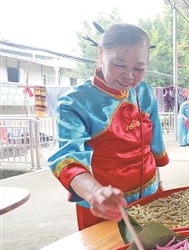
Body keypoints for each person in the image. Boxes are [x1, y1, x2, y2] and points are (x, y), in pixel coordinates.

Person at [48, 23, 169, 230]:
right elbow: (68, 159)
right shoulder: (75, 102)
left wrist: (158, 183)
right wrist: (95, 193)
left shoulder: (145, 92)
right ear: (101, 53)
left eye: (139, 68)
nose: (129, 75)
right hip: (103, 204)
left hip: (149, 194)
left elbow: (153, 144)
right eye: (119, 65)